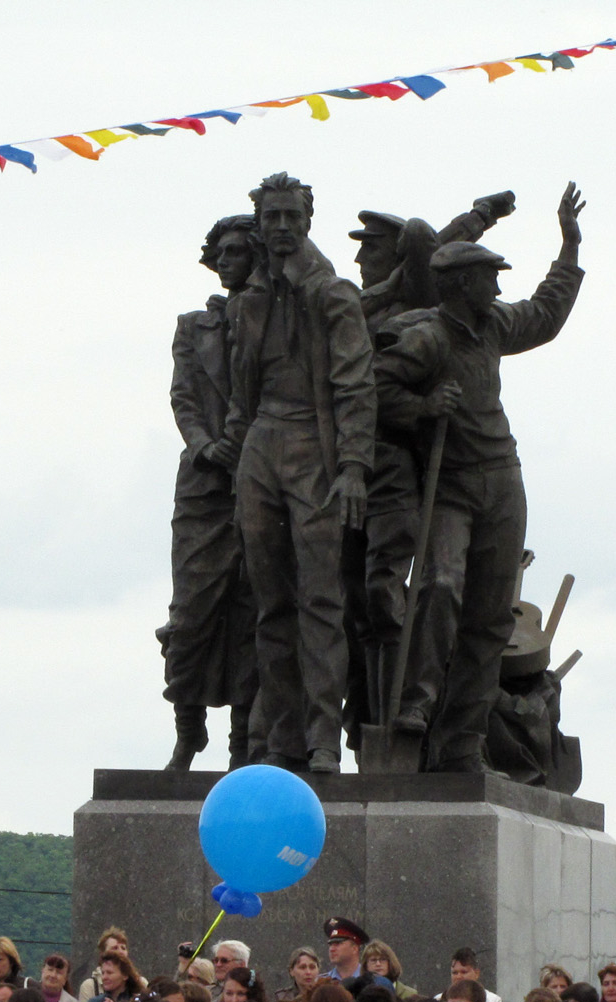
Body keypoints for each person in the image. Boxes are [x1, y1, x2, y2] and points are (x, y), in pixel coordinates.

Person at [374, 185, 585, 771]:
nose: (496, 286)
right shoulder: (427, 336)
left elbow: (544, 314)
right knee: (440, 585)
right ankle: (415, 705)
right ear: (459, 284)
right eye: (488, 277)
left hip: (502, 478)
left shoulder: (491, 326)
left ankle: (463, 739)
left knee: (492, 616)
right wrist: (420, 407)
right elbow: (374, 388)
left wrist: (568, 249)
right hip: (452, 485)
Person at [219, 171, 375, 772]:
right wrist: (238, 456)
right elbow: (241, 388)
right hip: (261, 444)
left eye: (291, 217)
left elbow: (355, 384)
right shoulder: (252, 299)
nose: (281, 228)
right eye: (272, 218)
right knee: (269, 603)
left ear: (307, 220)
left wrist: (354, 466)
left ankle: (322, 739)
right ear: (260, 223)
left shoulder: (332, 293)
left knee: (321, 601)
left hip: (314, 443)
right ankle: (279, 741)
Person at [161, 211, 259, 770]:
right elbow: (183, 397)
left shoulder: (275, 322)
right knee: (191, 612)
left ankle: (241, 746)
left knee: (250, 614)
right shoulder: (191, 326)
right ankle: (187, 730)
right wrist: (205, 444)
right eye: (220, 252)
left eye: (239, 252)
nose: (227, 262)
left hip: (259, 478)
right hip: (204, 484)